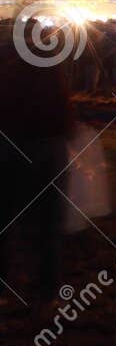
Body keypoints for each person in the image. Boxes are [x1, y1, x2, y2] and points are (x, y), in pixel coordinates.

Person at [0, 22, 72, 305]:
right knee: (47, 222)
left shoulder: (8, 63)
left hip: (12, 145)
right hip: (46, 147)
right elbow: (62, 108)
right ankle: (47, 284)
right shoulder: (50, 65)